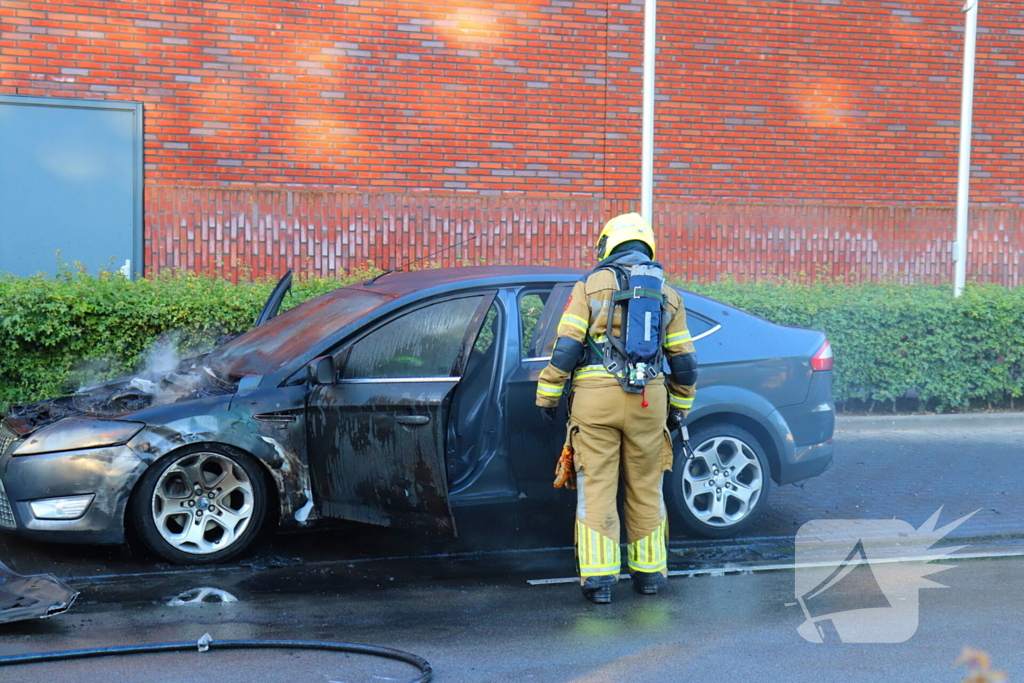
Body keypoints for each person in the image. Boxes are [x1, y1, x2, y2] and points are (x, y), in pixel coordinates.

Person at [535, 212, 698, 604]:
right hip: (648, 401)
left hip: (596, 402)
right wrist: (678, 408)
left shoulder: (589, 286)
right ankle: (650, 575)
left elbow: (567, 347)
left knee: (597, 487)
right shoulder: (668, 295)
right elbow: (684, 361)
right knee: (646, 488)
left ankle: (599, 580)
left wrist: (548, 395)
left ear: (608, 244)